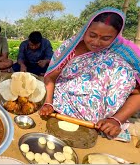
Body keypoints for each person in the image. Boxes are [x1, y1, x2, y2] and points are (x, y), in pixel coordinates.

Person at [39, 7, 140, 141]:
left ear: (116, 37)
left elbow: (138, 93)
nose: (96, 42)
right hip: (61, 109)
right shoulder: (70, 48)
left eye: (106, 38)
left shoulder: (127, 55)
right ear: (85, 29)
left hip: (102, 123)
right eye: (92, 35)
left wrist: (116, 120)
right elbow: (50, 78)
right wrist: (48, 103)